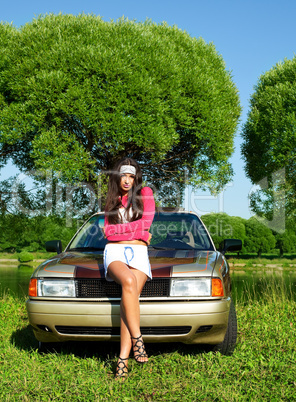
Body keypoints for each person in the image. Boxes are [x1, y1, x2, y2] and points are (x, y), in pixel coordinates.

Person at [103, 157, 155, 379]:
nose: (127, 180)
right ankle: (138, 338)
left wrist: (125, 230)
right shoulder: (112, 199)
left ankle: (122, 361)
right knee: (128, 281)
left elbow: (147, 224)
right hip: (114, 252)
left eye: (131, 176)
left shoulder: (145, 195)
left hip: (139, 253)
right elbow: (108, 233)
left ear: (136, 178)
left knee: (128, 300)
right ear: (118, 176)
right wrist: (139, 233)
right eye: (123, 175)